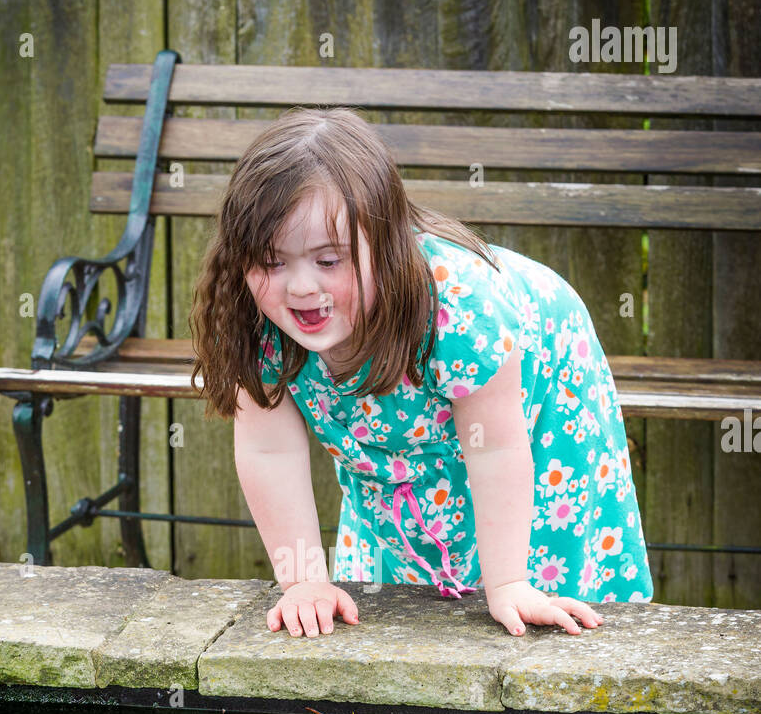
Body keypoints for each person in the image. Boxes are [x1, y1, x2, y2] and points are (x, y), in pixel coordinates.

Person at [190, 106, 654, 640]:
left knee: (530, 531)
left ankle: (526, 592)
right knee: (402, 502)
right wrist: (303, 582)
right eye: (272, 262)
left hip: (534, 366)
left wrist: (507, 583)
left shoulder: (458, 308)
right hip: (405, 412)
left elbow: (497, 448)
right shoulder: (255, 314)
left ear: (385, 249)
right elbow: (268, 451)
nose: (298, 287)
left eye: (328, 260)